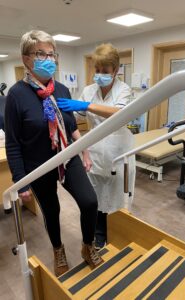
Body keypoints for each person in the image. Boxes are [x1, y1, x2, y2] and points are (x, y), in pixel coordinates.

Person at [5, 30, 103, 277]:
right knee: (52, 210)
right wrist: (20, 180)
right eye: (41, 53)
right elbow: (14, 143)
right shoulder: (16, 95)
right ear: (26, 58)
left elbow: (71, 128)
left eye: (51, 54)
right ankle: (58, 250)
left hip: (67, 157)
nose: (48, 59)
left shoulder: (61, 89)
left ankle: (87, 246)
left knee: (90, 202)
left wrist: (85, 153)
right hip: (38, 165)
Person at [57, 43, 136, 250]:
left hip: (119, 149)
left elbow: (119, 114)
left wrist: (85, 105)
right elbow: (74, 116)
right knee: (96, 196)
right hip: (94, 150)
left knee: (118, 195)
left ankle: (118, 235)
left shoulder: (124, 90)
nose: (100, 74)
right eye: (97, 70)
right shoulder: (89, 90)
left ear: (116, 70)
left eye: (105, 71)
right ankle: (99, 235)